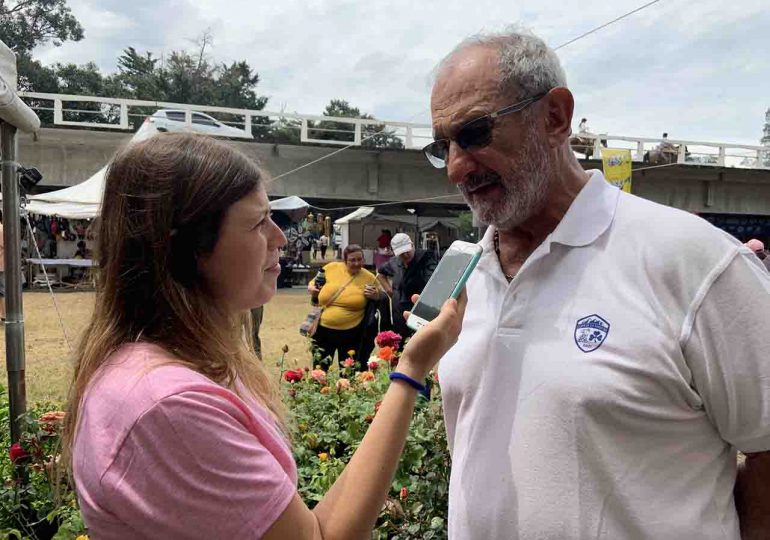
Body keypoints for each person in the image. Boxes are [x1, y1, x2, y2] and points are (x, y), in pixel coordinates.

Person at [424, 29, 770, 539]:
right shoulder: (465, 271)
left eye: (475, 133)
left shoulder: (694, 260)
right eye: (442, 146)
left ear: (555, 116)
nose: (456, 168)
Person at [63, 133, 465, 539]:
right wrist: (411, 370)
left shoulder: (180, 364)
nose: (280, 238)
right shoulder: (168, 409)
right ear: (186, 249)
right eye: (258, 223)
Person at [307, 244, 380, 370]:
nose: (357, 263)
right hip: (323, 330)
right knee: (319, 368)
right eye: (352, 260)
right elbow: (314, 283)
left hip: (352, 333)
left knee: (348, 372)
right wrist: (311, 288)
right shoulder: (330, 268)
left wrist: (376, 295)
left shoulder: (369, 277)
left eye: (360, 259)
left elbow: (380, 296)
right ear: (344, 260)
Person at [377, 233, 437, 338]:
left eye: (407, 251)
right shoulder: (394, 262)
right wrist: (389, 290)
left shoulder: (427, 257)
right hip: (399, 312)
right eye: (401, 253)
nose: (405, 255)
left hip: (418, 310)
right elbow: (380, 273)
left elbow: (433, 280)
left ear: (412, 245)